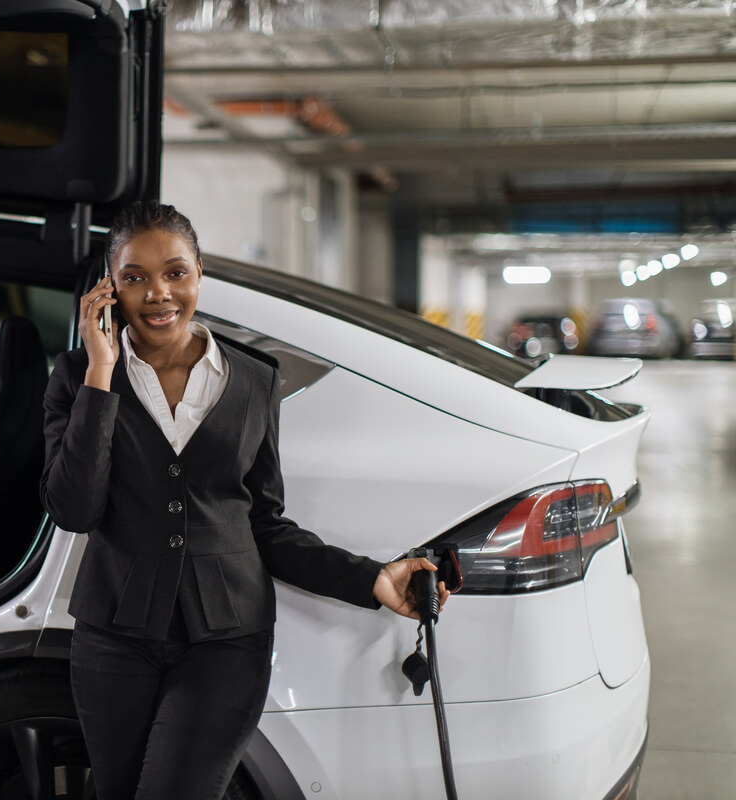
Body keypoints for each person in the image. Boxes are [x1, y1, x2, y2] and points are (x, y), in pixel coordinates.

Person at [40, 201, 449, 800]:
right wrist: (102, 374)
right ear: (110, 288)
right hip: (113, 642)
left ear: (200, 273)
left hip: (226, 645)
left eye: (175, 273)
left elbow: (267, 525)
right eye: (135, 277)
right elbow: (74, 511)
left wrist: (371, 581)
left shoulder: (256, 379)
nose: (158, 294)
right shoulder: (79, 376)